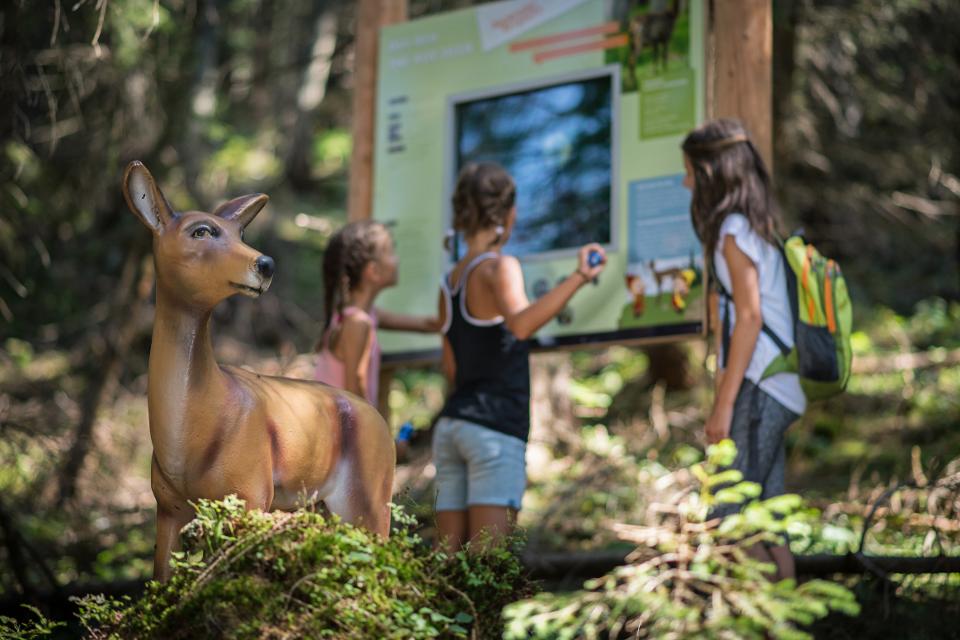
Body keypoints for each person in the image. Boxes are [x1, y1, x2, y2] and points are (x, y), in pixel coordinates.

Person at [433, 162, 607, 552]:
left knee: (446, 556)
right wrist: (580, 276)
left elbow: (450, 367)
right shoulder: (501, 266)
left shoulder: (448, 282)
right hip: (494, 428)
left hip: (452, 426)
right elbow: (522, 324)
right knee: (489, 560)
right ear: (508, 214)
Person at [681, 118, 807, 581]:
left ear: (710, 173)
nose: (686, 183)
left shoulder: (733, 231)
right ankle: (786, 614)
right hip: (778, 385)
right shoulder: (757, 227)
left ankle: (757, 613)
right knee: (768, 520)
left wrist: (723, 405)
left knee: (729, 517)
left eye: (690, 172)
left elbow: (750, 318)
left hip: (761, 386)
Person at [314, 220, 438, 407]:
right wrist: (376, 424)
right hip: (344, 422)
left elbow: (427, 324)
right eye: (391, 252)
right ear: (373, 271)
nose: (397, 259)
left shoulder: (364, 314)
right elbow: (355, 391)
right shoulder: (357, 323)